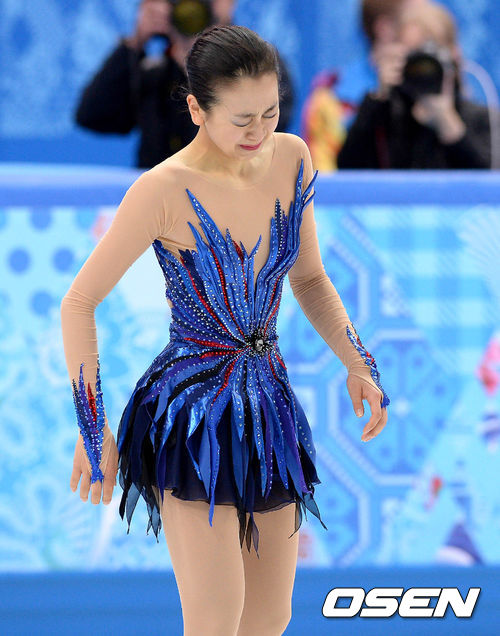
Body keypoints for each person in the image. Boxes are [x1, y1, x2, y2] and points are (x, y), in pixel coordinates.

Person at [61, 24, 390, 635]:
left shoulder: (292, 157)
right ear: (196, 110)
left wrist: (358, 362)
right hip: (190, 418)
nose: (259, 132)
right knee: (215, 618)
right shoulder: (161, 190)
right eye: (242, 120)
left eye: (270, 112)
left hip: (268, 406)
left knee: (269, 617)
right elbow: (79, 302)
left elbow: (310, 279)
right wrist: (91, 423)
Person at [74, 0, 295, 169]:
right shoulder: (153, 70)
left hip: (225, 198)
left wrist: (205, 60)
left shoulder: (259, 66)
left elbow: (262, 132)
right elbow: (92, 116)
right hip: (157, 204)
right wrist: (136, 43)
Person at [337, 0, 492, 169]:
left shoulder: (482, 120)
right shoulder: (386, 119)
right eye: (414, 57)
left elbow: (489, 180)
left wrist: (449, 125)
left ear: (453, 57)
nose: (423, 69)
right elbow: (347, 170)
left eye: (431, 57)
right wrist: (379, 99)